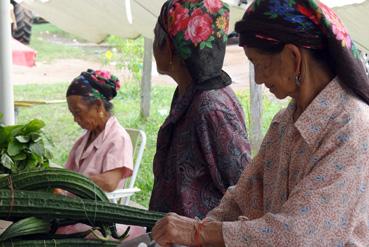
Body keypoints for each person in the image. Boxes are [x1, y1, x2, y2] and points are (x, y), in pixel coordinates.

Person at [151, 0, 369, 246]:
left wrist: (197, 233)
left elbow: (299, 235)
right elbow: (243, 198)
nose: (258, 77)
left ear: (293, 56)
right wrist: (199, 231)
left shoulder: (352, 129)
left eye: (258, 63)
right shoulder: (285, 123)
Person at [149, 0, 252, 219]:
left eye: (156, 36)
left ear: (169, 45)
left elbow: (245, 190)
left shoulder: (211, 107)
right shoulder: (187, 93)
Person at [56, 69, 145, 239]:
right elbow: (64, 174)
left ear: (98, 106)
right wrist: (58, 187)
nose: (75, 119)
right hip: (74, 210)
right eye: (72, 114)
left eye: (78, 112)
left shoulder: (118, 138)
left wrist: (70, 183)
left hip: (96, 215)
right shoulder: (84, 139)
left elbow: (110, 183)